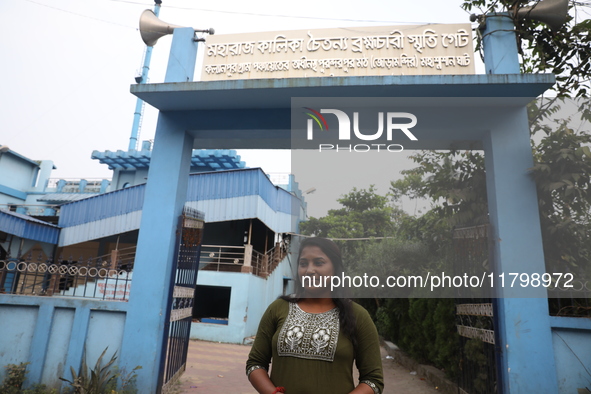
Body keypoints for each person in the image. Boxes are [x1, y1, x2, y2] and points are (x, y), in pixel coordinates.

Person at [246, 237, 384, 394]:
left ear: (335, 268)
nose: (309, 270)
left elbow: (373, 380)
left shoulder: (358, 316)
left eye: (319, 263)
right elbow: (255, 364)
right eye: (303, 264)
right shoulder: (278, 309)